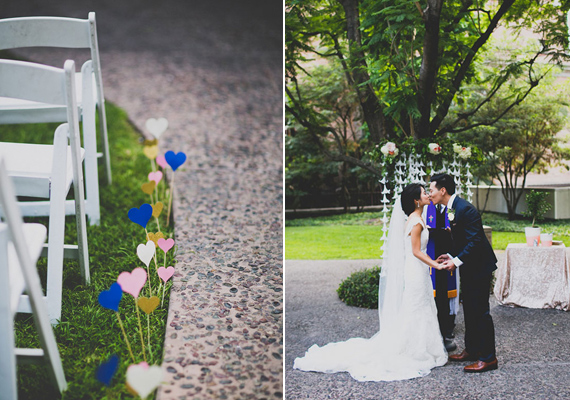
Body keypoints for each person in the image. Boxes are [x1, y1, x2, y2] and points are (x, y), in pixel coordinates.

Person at [293, 183, 448, 382]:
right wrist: (436, 265)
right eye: (424, 193)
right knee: (417, 307)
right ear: (416, 200)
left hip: (416, 270)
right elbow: (417, 251)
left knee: (418, 307)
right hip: (416, 271)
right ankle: (416, 351)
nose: (427, 194)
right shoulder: (416, 222)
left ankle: (422, 347)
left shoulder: (413, 218)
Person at [429, 173, 498, 373]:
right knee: (469, 309)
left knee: (480, 312)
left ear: (442, 190)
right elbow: (463, 240)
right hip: (469, 266)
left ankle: (488, 358)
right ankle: (472, 349)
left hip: (480, 268)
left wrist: (456, 262)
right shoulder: (451, 208)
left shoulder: (465, 209)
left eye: (432, 189)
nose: (430, 193)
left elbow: (476, 241)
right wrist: (451, 255)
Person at [424, 202, 458, 352]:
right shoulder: (426, 208)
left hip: (447, 253)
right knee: (433, 290)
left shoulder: (451, 208)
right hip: (431, 253)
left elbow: (454, 228)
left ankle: (448, 325)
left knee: (446, 292)